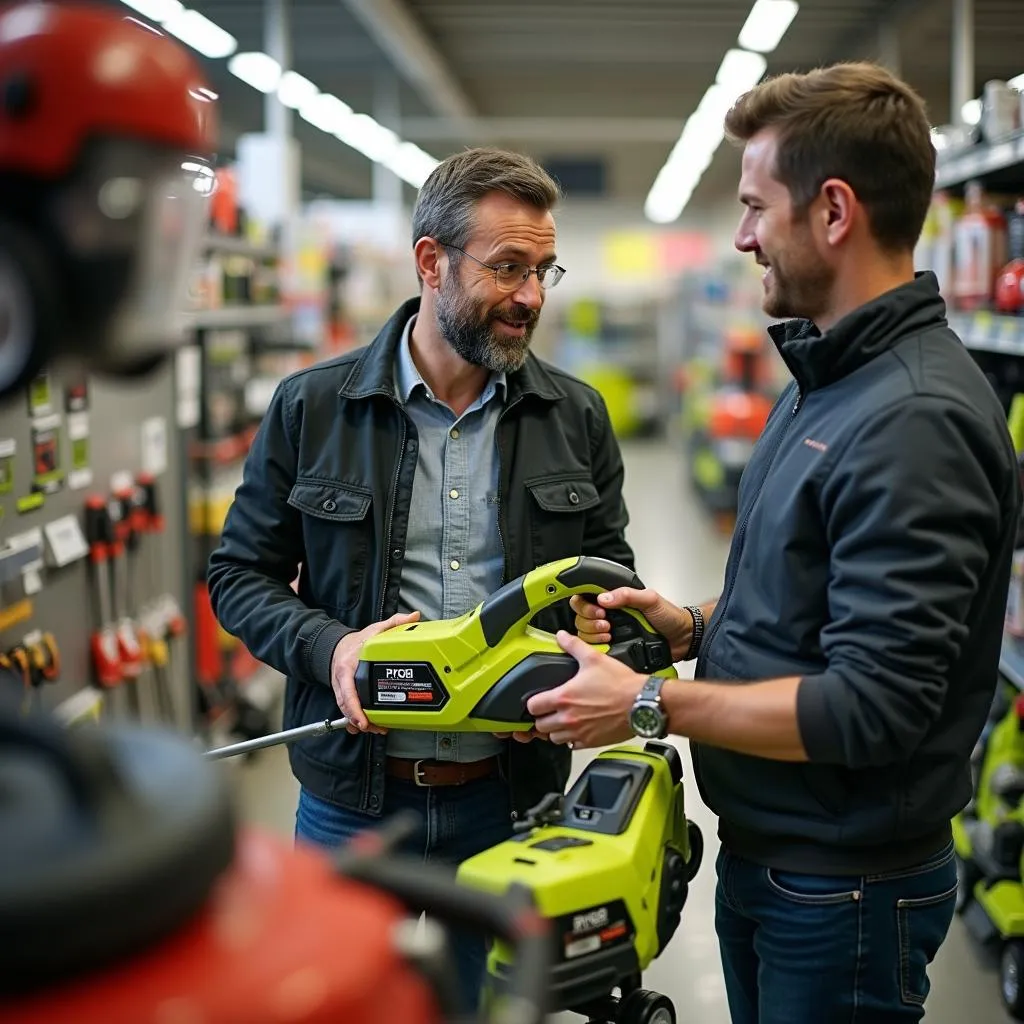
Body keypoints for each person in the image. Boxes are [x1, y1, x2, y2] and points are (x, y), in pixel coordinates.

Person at [526, 62, 1022, 1023]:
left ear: (834, 211)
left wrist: (644, 705)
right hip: (786, 858)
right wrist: (696, 623)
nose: (743, 233)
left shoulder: (913, 417)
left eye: (757, 206)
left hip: (841, 889)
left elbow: (872, 707)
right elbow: (814, 591)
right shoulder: (827, 375)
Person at [207, 146, 634, 1011]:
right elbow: (237, 575)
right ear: (431, 262)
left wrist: (596, 635)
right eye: (508, 267)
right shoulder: (312, 407)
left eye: (542, 268)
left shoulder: (576, 416)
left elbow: (616, 582)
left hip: (509, 806)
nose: (531, 295)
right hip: (354, 803)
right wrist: (330, 650)